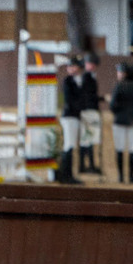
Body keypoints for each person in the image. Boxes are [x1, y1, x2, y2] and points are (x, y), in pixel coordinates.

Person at [109, 62, 133, 184]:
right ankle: (131, 177)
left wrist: (119, 113)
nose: (118, 74)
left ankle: (121, 177)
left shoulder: (119, 86)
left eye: (120, 72)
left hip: (119, 121)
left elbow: (112, 105)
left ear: (125, 73)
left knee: (119, 148)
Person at [56, 57, 84, 185]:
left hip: (74, 116)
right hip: (70, 115)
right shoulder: (68, 81)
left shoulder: (77, 81)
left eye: (75, 66)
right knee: (69, 145)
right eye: (71, 66)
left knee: (70, 145)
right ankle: (66, 175)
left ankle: (66, 174)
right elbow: (70, 100)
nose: (73, 69)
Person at [79, 52, 103, 175]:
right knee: (88, 138)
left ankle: (85, 165)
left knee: (88, 138)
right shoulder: (87, 77)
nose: (92, 66)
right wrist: (100, 99)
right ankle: (88, 165)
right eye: (90, 64)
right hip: (88, 110)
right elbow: (89, 95)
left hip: (89, 109)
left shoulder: (89, 77)